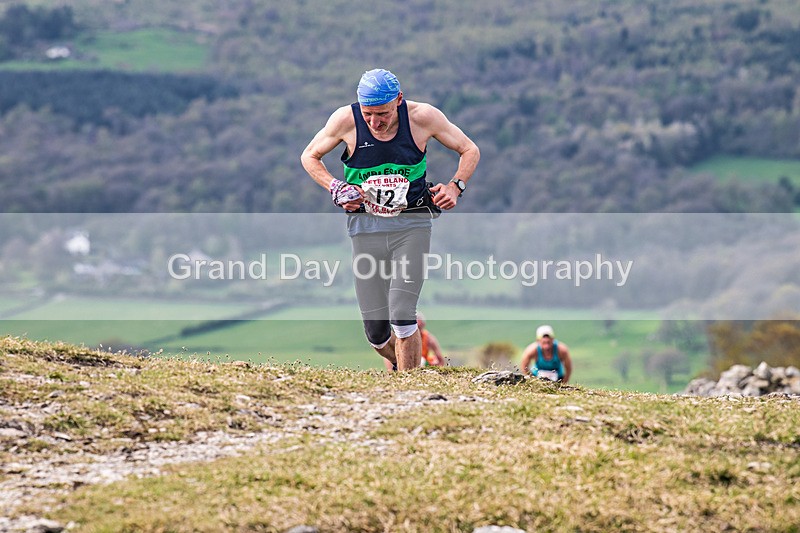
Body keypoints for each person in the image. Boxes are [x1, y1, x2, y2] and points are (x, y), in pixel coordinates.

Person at [301, 68, 479, 371]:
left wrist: (455, 186)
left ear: (398, 100)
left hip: (413, 223)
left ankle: (410, 388)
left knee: (402, 313)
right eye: (368, 114)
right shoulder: (345, 120)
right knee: (376, 333)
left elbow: (469, 149)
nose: (374, 122)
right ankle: (406, 368)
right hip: (365, 228)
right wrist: (336, 186)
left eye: (381, 114)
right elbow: (309, 156)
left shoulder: (423, 117)